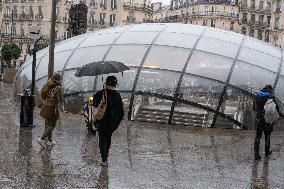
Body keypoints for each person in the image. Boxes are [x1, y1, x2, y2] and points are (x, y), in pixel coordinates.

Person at [93, 76, 124, 166]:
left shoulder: (101, 93)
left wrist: (93, 102)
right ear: (115, 84)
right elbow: (121, 112)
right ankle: (106, 156)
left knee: (102, 140)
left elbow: (91, 101)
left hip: (101, 121)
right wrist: (115, 124)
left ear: (106, 83)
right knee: (108, 139)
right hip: (111, 123)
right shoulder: (117, 95)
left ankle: (104, 159)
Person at [253, 85, 279, 160]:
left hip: (259, 119)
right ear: (270, 90)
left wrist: (260, 110)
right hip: (268, 120)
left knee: (258, 136)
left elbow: (254, 108)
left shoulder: (257, 96)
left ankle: (256, 154)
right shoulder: (271, 97)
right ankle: (267, 152)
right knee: (267, 136)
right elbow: (276, 108)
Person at [37, 73, 63, 148]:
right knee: (52, 124)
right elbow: (61, 99)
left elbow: (42, 95)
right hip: (53, 108)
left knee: (48, 123)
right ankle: (41, 139)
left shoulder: (46, 85)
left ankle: (50, 141)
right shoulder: (58, 87)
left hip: (45, 106)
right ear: (58, 79)